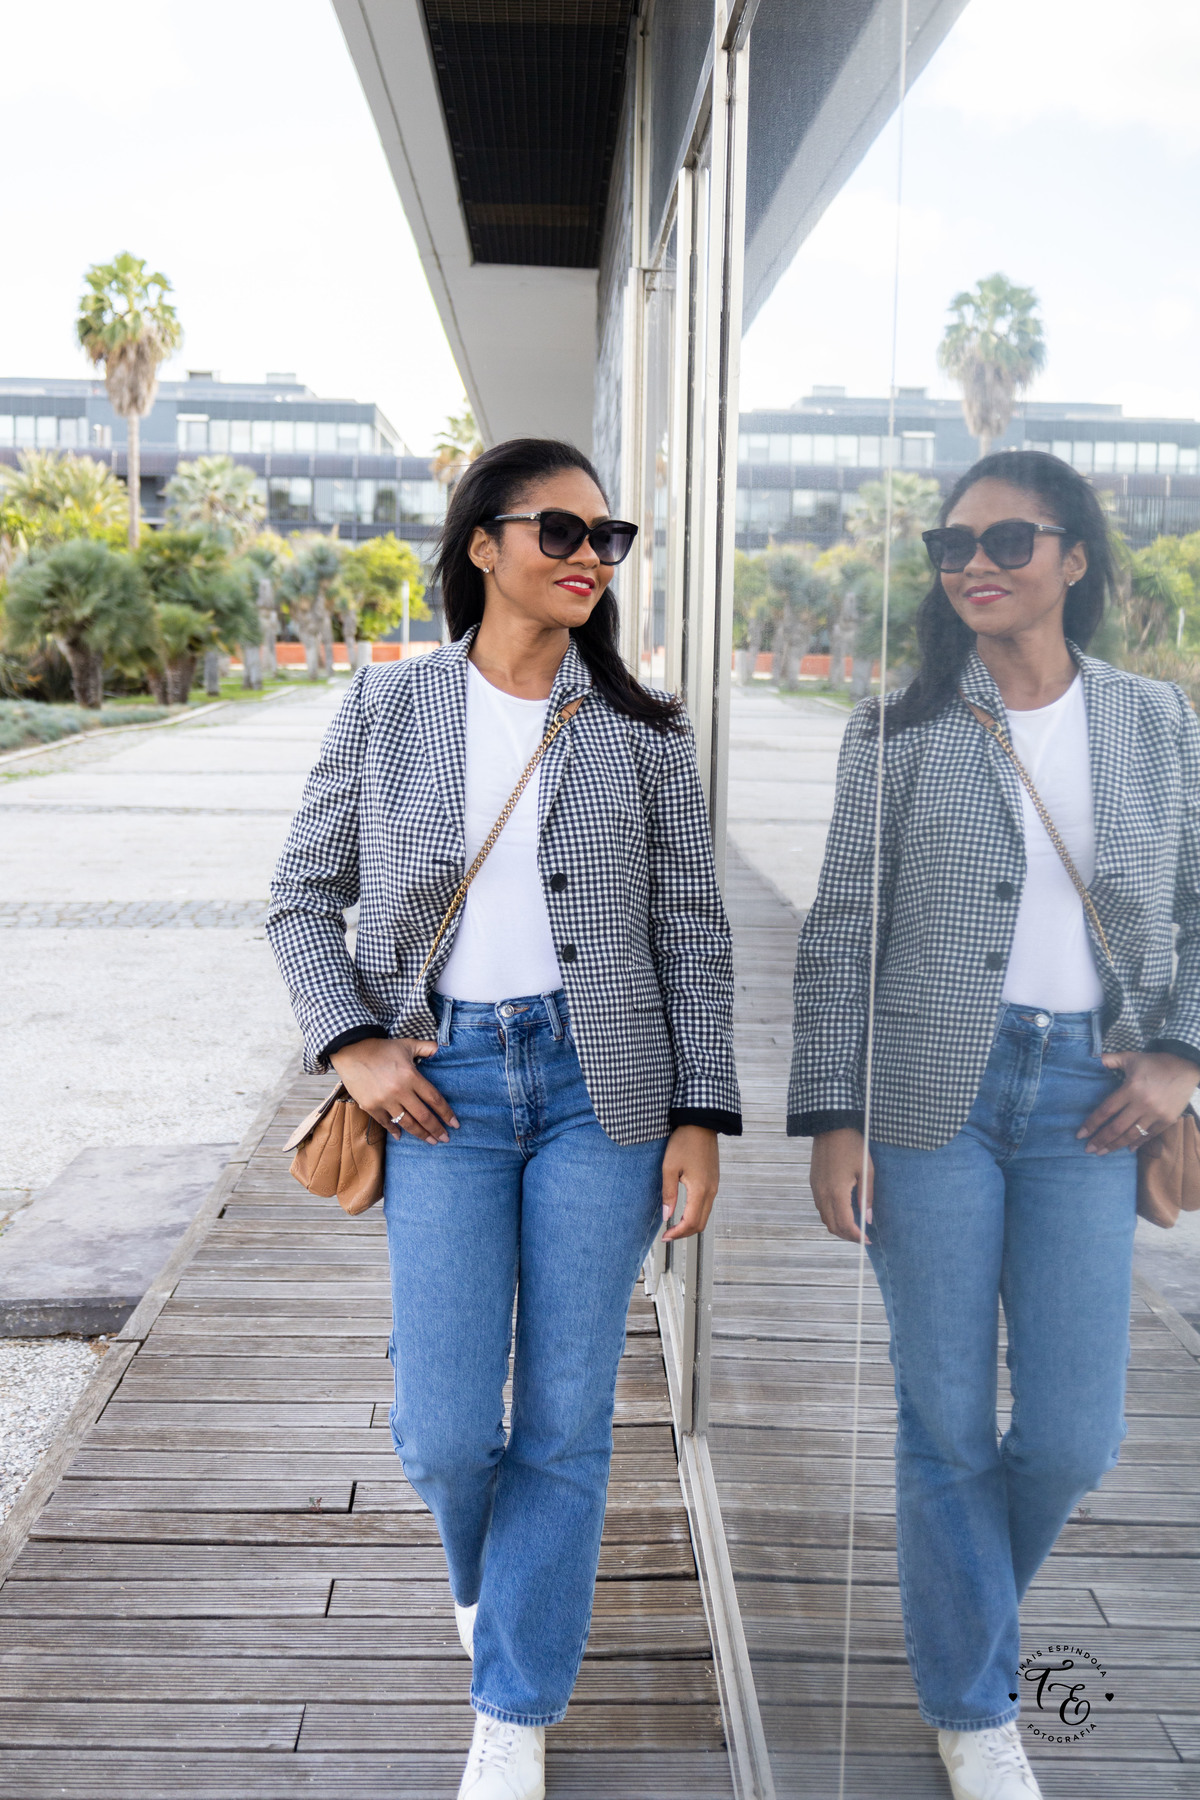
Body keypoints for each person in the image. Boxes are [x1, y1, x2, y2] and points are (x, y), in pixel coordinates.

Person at [267, 437, 740, 1800]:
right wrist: (353, 1043)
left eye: (610, 537)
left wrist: (699, 1115)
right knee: (442, 1430)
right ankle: (493, 1583)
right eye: (561, 531)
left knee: (568, 1419)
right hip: (442, 1091)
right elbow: (300, 896)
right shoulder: (389, 705)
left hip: (606, 1089)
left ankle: (515, 1706)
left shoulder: (644, 728)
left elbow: (691, 932)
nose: (592, 557)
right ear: (483, 545)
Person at [788, 450, 1200, 1800]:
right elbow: (843, 930)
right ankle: (972, 1710)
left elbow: (1198, 904)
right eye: (953, 544)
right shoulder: (898, 725)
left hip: (1091, 1098)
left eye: (1008, 541)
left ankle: (960, 1622)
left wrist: (1182, 1058)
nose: (975, 562)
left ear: (1074, 559)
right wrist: (833, 1116)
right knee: (947, 1421)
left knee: (1075, 1435)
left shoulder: (1156, 720)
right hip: (930, 1098)